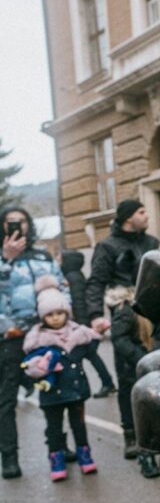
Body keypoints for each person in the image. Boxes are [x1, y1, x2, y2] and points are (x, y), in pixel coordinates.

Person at [85, 199, 159, 461]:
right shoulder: (107, 246)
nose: (146, 215)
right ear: (129, 217)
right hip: (124, 318)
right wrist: (95, 315)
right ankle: (131, 434)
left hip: (154, 316)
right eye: (141, 211)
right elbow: (96, 282)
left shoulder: (151, 243)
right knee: (128, 378)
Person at [0, 206, 68, 480]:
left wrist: (65, 321)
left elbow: (61, 289)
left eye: (22, 221)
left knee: (56, 391)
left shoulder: (42, 255)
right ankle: (9, 457)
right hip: (12, 337)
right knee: (6, 400)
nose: (17, 225)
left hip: (45, 333)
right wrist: (6, 259)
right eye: (10, 221)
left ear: (29, 225)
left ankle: (59, 447)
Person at [21, 276, 101, 481]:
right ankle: (56, 459)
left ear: (67, 312)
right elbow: (28, 366)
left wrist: (97, 334)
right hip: (51, 394)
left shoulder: (78, 334)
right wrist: (37, 368)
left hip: (76, 391)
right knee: (54, 428)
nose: (55, 318)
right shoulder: (37, 341)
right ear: (42, 317)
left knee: (79, 425)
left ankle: (85, 455)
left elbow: (91, 352)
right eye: (50, 315)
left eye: (59, 313)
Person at [60, 250, 116, 398]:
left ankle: (80, 388)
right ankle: (107, 383)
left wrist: (81, 327)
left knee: (76, 357)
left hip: (81, 326)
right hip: (84, 326)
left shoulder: (72, 278)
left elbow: (78, 303)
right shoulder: (77, 275)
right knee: (90, 356)